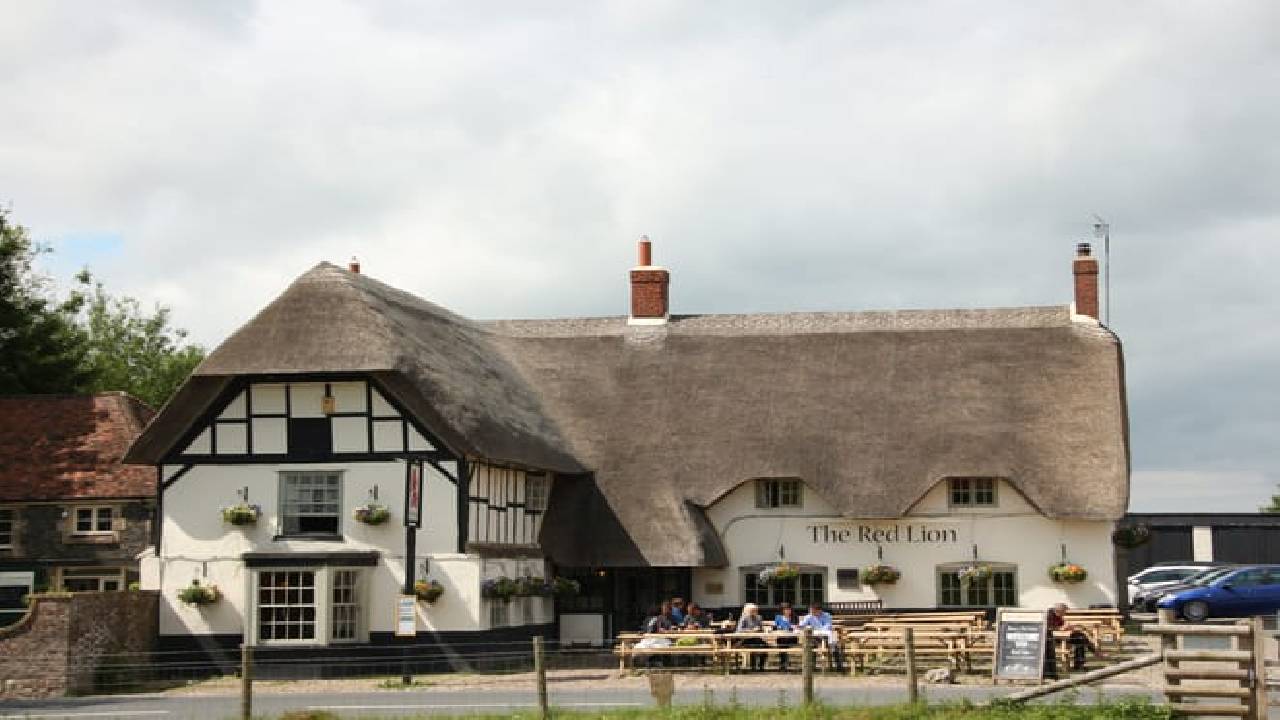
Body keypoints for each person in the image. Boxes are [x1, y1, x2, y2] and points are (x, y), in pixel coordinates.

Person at [1047, 603, 1100, 676]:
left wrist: (1069, 627)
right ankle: (1093, 653)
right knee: (1080, 638)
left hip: (1063, 636)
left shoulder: (1058, 615)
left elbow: (1061, 625)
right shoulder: (1049, 615)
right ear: (1059, 610)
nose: (1065, 614)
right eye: (1064, 612)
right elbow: (1049, 628)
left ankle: (1079, 664)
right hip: (1054, 638)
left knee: (1081, 637)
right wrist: (1061, 628)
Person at [798, 602, 844, 671]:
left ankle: (839, 666)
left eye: (813, 611)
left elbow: (828, 626)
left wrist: (819, 630)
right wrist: (800, 625)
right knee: (811, 645)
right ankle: (812, 667)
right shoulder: (809, 616)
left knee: (835, 647)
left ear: (819, 610)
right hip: (815, 637)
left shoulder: (826, 615)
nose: (811, 613)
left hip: (827, 636)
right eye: (810, 611)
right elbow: (802, 624)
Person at [736, 602, 768, 671]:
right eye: (753, 610)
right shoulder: (744, 617)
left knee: (765, 646)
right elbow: (739, 630)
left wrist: (761, 629)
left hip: (756, 638)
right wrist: (751, 630)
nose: (755, 611)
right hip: (746, 639)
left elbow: (761, 628)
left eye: (756, 610)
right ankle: (753, 666)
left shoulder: (759, 617)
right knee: (753, 646)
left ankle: (761, 666)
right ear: (748, 610)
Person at [773, 602, 799, 671]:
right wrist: (779, 628)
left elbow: (796, 627)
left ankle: (783, 664)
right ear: (782, 610)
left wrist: (792, 627)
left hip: (792, 638)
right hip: (782, 637)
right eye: (786, 609)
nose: (788, 611)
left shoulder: (794, 617)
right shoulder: (778, 617)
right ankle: (783, 664)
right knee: (782, 643)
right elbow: (775, 626)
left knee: (783, 644)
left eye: (789, 609)